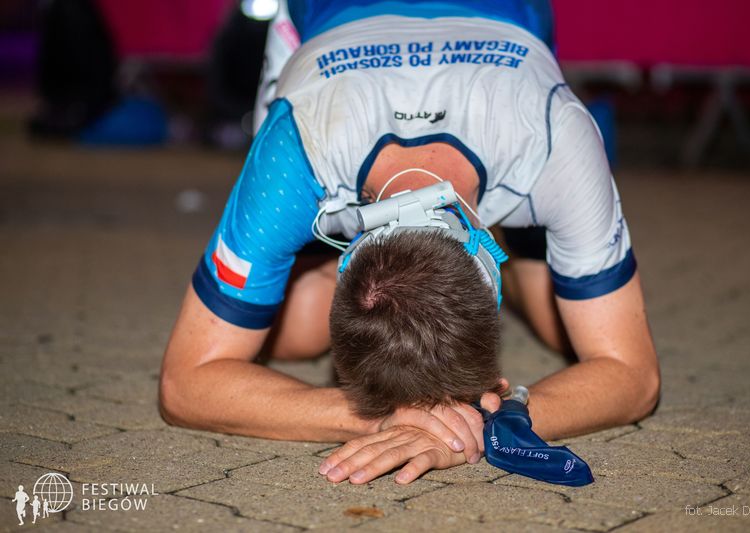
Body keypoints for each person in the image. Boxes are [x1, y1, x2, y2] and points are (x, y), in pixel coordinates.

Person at [160, 0, 660, 485]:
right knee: (302, 331)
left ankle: (526, 260)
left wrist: (476, 423)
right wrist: (381, 418)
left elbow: (635, 377)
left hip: (506, 36)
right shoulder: (293, 150)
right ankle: (537, 261)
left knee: (562, 330)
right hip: (333, 39)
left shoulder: (557, 143)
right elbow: (183, 385)